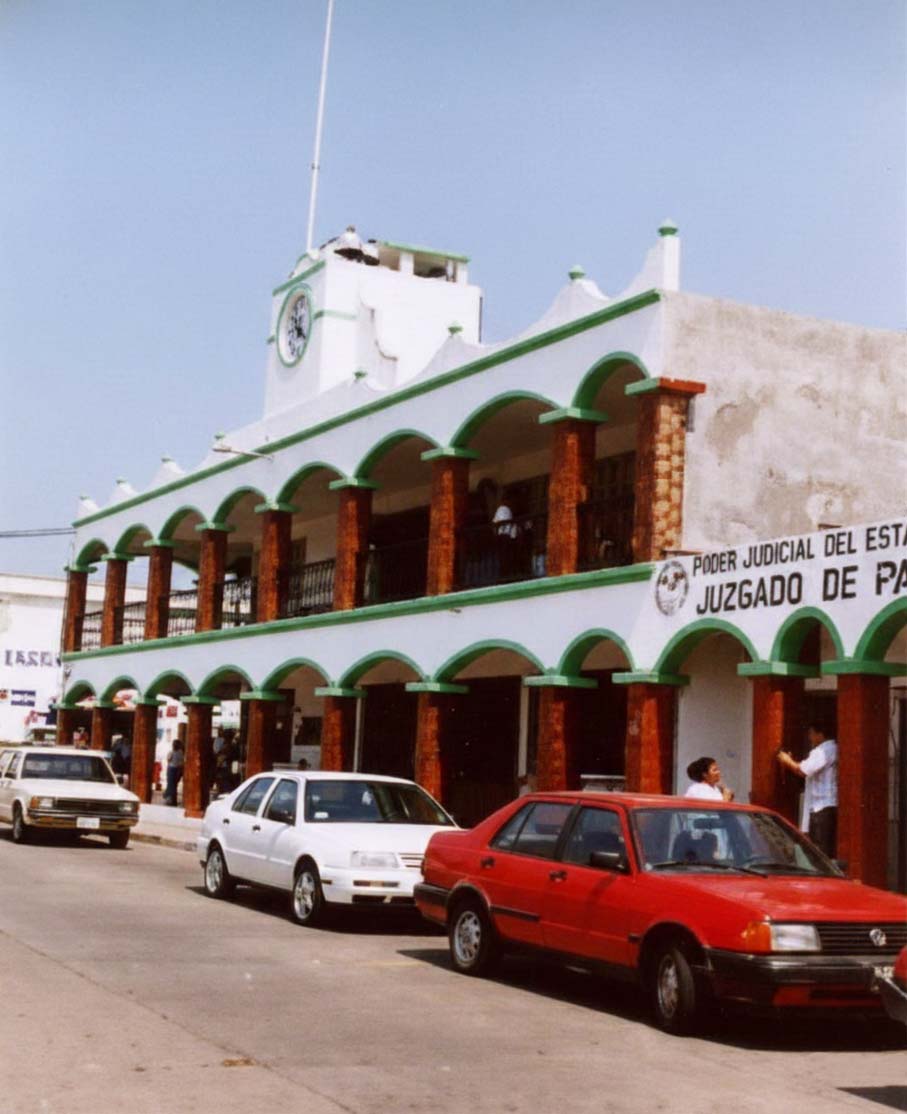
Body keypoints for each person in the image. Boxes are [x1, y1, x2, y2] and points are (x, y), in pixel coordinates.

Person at [776, 723, 838, 857]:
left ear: (820, 735)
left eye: (811, 734)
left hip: (822, 806)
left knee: (820, 850)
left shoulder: (824, 750)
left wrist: (787, 761)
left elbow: (804, 770)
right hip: (826, 805)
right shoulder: (832, 749)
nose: (810, 737)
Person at [164, 741, 184, 806]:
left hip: (172, 769)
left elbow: (168, 759)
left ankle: (170, 799)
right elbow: (181, 762)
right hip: (176, 769)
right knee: (173, 785)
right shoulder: (180, 752)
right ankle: (172, 799)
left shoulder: (173, 752)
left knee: (171, 784)